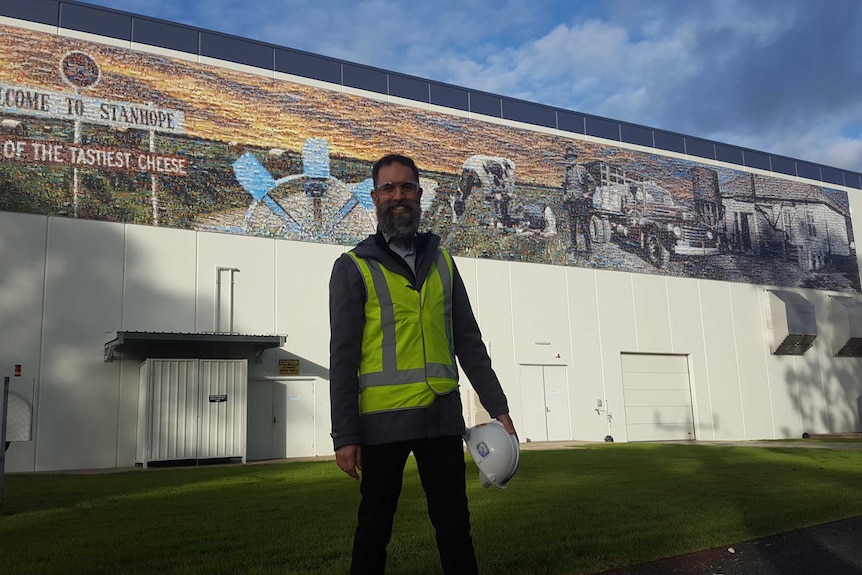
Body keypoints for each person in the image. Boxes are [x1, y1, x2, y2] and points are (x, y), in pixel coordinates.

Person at [329, 153, 516, 575]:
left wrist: (497, 406)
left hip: (440, 420)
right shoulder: (352, 266)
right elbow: (342, 357)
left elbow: (468, 342)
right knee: (374, 530)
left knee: (455, 529)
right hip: (382, 424)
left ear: (419, 193)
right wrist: (345, 434)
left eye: (407, 187)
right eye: (389, 188)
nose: (399, 196)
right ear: (375, 197)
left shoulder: (443, 261)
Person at [562, 146, 596, 255]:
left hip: (581, 203)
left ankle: (589, 251)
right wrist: (564, 196)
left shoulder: (581, 169)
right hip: (570, 203)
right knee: (572, 228)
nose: (570, 160)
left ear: (575, 158)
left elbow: (592, 183)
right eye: (568, 158)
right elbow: (565, 186)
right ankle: (574, 250)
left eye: (571, 157)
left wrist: (587, 194)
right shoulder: (567, 171)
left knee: (584, 227)